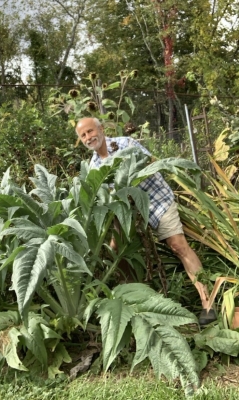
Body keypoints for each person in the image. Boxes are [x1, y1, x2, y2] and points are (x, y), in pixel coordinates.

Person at [75, 117, 216, 326]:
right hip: (129, 212)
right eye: (83, 135)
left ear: (101, 129)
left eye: (90, 131)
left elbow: (151, 163)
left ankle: (208, 304)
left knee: (178, 245)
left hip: (155, 199)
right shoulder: (93, 167)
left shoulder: (125, 144)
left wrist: (131, 177)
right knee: (115, 251)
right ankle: (139, 301)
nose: (88, 138)